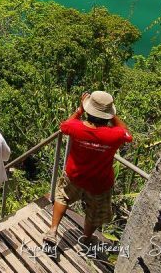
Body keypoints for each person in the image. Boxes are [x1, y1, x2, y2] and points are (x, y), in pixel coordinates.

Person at [43, 91, 132, 247]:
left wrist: (79, 110)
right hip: (99, 183)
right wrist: (112, 115)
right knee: (94, 212)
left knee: (63, 196)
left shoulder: (76, 127)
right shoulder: (115, 135)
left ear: (89, 109)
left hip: (75, 176)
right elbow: (127, 134)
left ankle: (53, 230)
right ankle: (86, 238)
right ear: (108, 114)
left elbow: (64, 126)